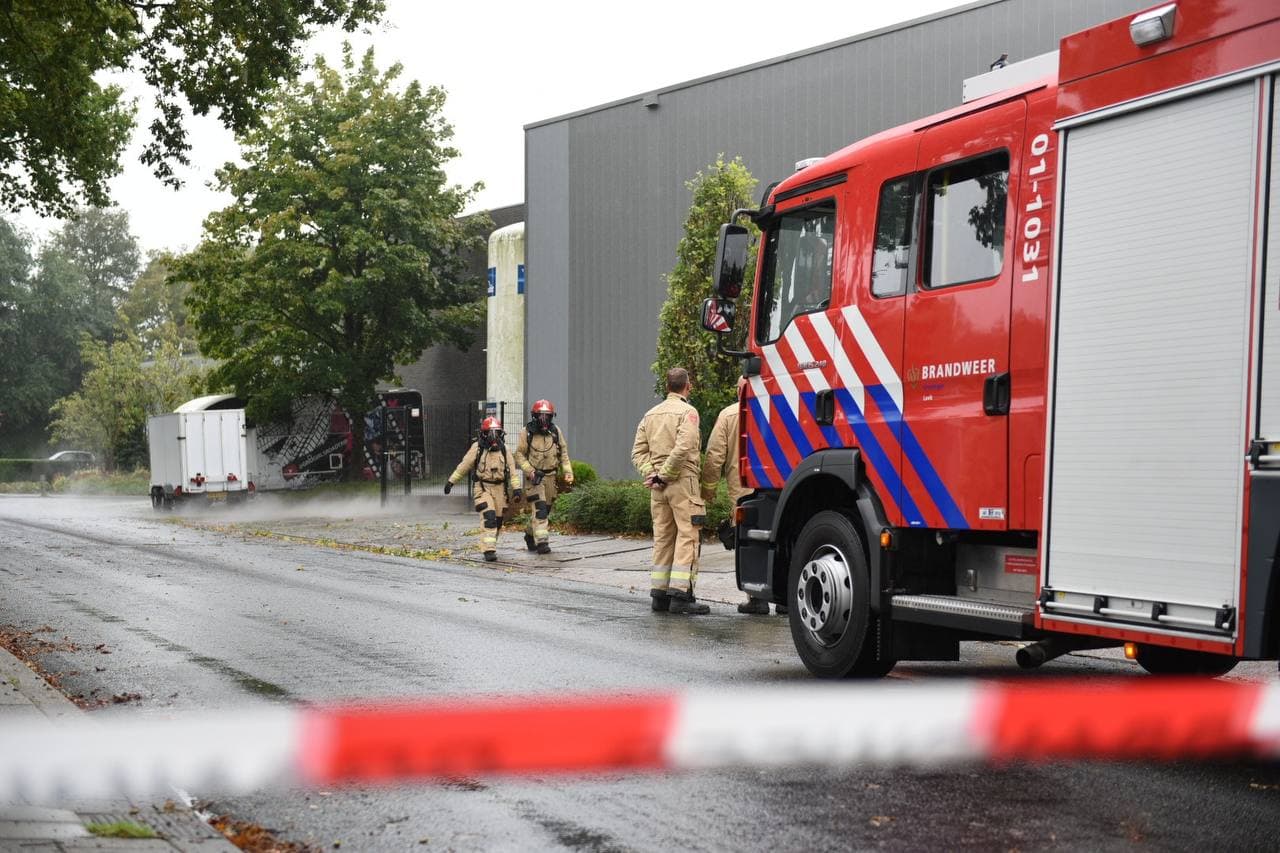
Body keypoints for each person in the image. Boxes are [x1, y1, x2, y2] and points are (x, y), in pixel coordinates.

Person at [701, 380, 785, 616]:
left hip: (744, 489)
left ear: (739, 391)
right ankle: (784, 600)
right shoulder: (778, 409)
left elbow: (714, 456)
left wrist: (706, 494)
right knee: (784, 537)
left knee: (750, 540)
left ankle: (756, 599)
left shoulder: (729, 415)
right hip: (779, 485)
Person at [631, 367, 709, 615]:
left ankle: (659, 595)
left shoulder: (650, 415)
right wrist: (665, 474)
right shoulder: (688, 412)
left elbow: (637, 452)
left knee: (663, 537)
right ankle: (680, 596)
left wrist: (652, 474)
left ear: (667, 387)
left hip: (657, 487)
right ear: (688, 386)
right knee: (688, 536)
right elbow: (684, 447)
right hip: (681, 482)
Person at [445, 416, 521, 563]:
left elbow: (512, 472)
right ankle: (489, 550)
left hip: (500, 489)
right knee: (489, 517)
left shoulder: (505, 450)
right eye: (490, 433)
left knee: (498, 522)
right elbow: (464, 466)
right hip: (482, 488)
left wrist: (517, 489)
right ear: (483, 434)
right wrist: (451, 482)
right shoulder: (477, 449)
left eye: (496, 433)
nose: (493, 437)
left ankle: (490, 543)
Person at [515, 399, 574, 554]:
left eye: (547, 416)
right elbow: (519, 455)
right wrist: (530, 471)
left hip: (550, 477)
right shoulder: (526, 432)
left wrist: (568, 472)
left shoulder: (555, 431)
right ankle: (542, 542)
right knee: (540, 509)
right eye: (541, 416)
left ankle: (529, 534)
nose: (544, 420)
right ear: (535, 416)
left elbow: (564, 453)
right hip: (534, 478)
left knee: (544, 511)